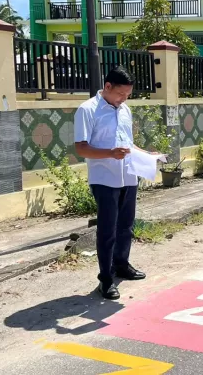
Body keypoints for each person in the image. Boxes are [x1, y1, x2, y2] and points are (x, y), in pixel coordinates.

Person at [74, 66, 159, 300]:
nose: (124, 99)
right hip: (104, 179)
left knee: (126, 225)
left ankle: (122, 264)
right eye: (121, 94)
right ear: (108, 87)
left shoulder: (124, 110)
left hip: (128, 175)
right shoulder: (87, 110)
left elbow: (128, 144)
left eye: (128, 95)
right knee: (107, 230)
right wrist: (111, 154)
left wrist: (148, 154)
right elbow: (81, 148)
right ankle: (106, 279)